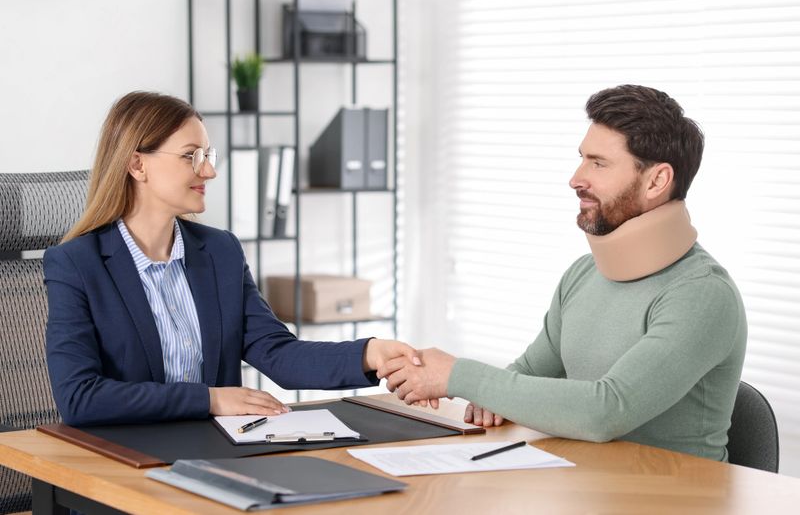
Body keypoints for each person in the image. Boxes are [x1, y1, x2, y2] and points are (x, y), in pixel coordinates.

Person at [379, 85, 747, 462]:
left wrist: (457, 375)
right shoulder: (584, 274)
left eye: (598, 163)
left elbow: (607, 410)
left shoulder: (702, 294)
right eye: (582, 159)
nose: (576, 178)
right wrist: (492, 399)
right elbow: (527, 373)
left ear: (656, 181)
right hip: (584, 486)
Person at [45, 91, 419, 427]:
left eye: (207, 155)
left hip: (215, 452)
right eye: (192, 156)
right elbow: (80, 397)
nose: (209, 170)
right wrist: (211, 399)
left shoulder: (219, 251)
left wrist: (371, 353)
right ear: (137, 165)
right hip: (124, 462)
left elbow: (278, 354)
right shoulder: (76, 264)